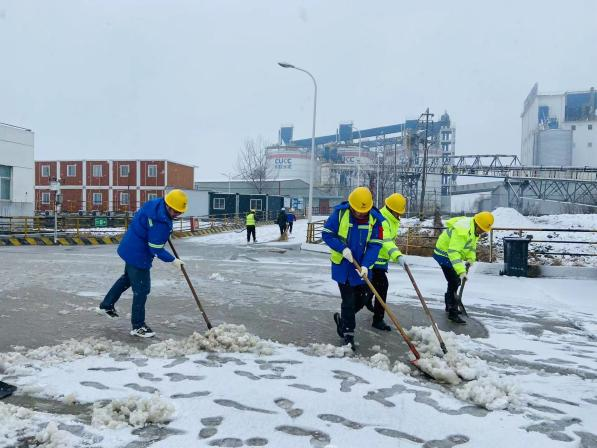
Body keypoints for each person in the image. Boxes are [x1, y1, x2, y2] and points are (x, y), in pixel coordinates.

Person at [96, 189, 187, 338]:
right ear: (168, 205)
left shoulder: (156, 204)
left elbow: (150, 226)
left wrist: (163, 231)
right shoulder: (160, 223)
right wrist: (173, 260)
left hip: (129, 246)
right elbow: (155, 248)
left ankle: (106, 306)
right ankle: (138, 326)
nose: (178, 214)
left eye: (180, 212)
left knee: (127, 279)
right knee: (142, 290)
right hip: (139, 255)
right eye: (176, 211)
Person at [322, 186, 384, 349]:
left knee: (364, 297)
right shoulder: (340, 214)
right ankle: (348, 333)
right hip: (343, 266)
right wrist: (342, 248)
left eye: (363, 212)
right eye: (357, 211)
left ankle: (343, 321)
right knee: (348, 300)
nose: (360, 214)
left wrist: (366, 265)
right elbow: (327, 234)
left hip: (361, 267)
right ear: (351, 205)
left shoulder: (375, 219)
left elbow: (375, 245)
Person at [432, 211, 494, 324]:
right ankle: (452, 312)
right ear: (477, 224)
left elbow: (471, 246)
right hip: (443, 254)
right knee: (454, 281)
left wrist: (471, 258)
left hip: (451, 254)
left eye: (484, 230)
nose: (482, 232)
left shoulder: (473, 230)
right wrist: (461, 271)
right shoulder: (463, 230)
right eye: (482, 229)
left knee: (454, 282)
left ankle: (449, 305)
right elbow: (453, 252)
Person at [366, 193, 407, 331]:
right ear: (391, 209)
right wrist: (397, 255)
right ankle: (377, 320)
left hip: (381, 259)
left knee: (373, 286)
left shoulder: (391, 219)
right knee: (382, 286)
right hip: (375, 259)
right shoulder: (383, 220)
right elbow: (386, 240)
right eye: (398, 212)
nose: (399, 215)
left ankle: (367, 299)